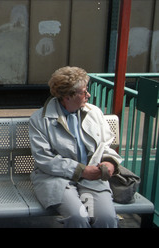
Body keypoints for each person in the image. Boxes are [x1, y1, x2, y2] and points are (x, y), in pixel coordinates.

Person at [29, 66, 122, 228]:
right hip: (57, 179)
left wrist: (109, 163)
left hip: (93, 178)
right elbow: (44, 159)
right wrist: (81, 171)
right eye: (84, 91)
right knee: (78, 217)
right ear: (67, 96)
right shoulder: (40, 119)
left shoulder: (94, 113)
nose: (88, 95)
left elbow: (107, 144)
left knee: (106, 218)